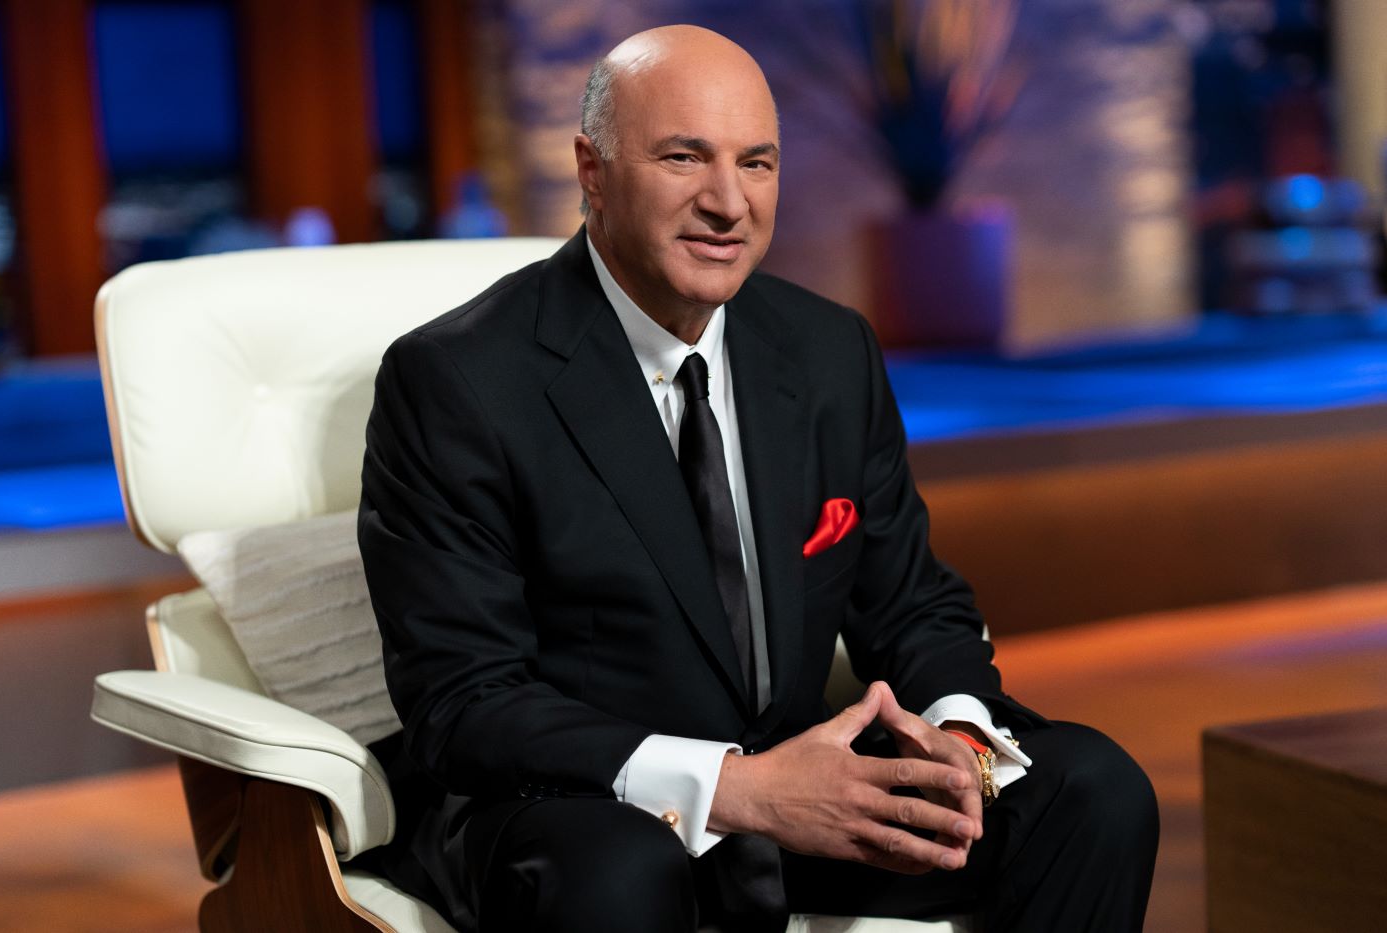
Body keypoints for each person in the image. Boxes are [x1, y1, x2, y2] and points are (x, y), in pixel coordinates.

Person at [357, 24, 1158, 933]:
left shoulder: (828, 351)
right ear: (592, 169)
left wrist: (961, 738)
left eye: (758, 163)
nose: (728, 203)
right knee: (620, 871)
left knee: (1093, 788)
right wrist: (738, 790)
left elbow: (912, 604)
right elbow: (464, 702)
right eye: (683, 157)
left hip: (803, 787)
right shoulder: (457, 381)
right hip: (577, 807)